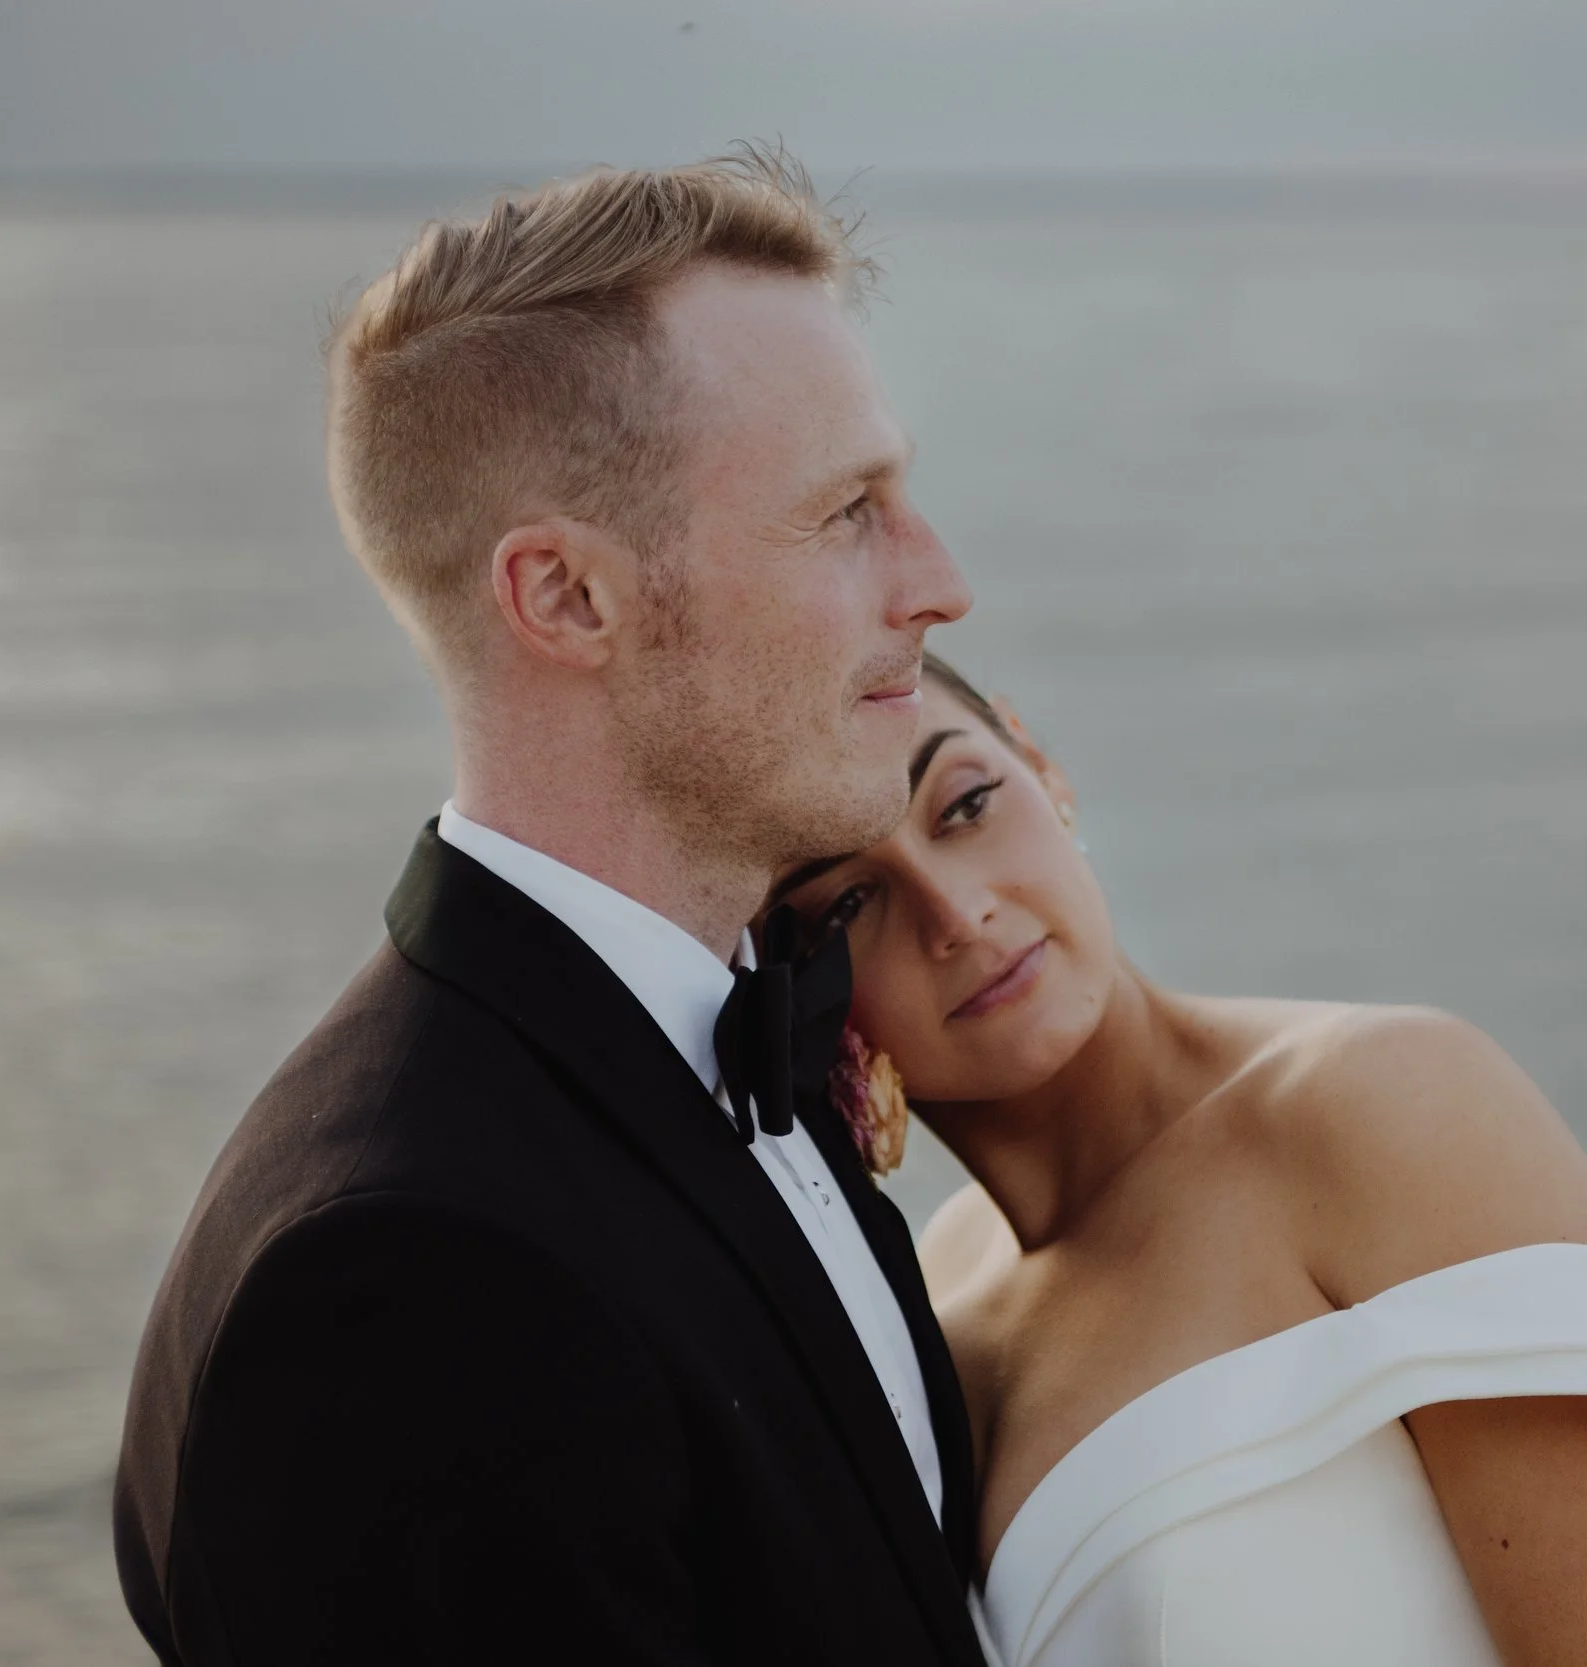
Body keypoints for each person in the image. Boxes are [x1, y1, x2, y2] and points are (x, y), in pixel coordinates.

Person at [112, 153, 994, 1665]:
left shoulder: (734, 1043)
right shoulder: (404, 1288)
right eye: (849, 511)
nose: (939, 581)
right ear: (566, 599)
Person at [769, 656, 1587, 1667]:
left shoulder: (1383, 1102)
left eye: (967, 803)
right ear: (794, 983)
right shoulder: (926, 1301)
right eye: (851, 903)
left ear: (1040, 764)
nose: (958, 913)